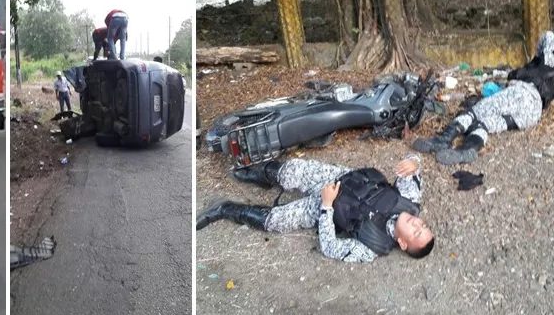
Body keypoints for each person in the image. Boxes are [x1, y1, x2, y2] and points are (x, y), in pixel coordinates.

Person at [196, 155, 435, 262]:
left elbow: (330, 248)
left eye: (416, 232)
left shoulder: (373, 247)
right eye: (423, 225)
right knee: (290, 172)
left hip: (325, 205)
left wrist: (327, 206)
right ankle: (256, 175)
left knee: (274, 221)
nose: (417, 223)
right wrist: (414, 162)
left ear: (403, 244)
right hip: (338, 178)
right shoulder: (410, 200)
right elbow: (414, 163)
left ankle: (224, 209)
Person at [414, 30, 554, 165]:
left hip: (523, 94)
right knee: (484, 124)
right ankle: (468, 149)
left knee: (472, 112)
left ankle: (443, 139)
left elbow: (547, 37)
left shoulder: (545, 61)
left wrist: (535, 59)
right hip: (532, 114)